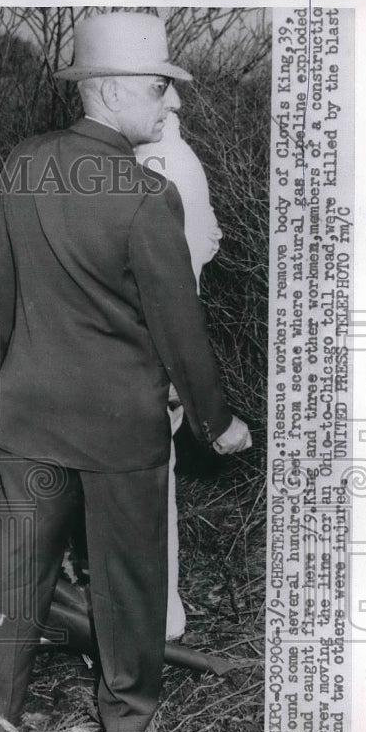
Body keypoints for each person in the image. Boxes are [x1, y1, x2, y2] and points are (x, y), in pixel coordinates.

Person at [0, 12, 251, 732]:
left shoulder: (20, 164)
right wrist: (217, 423)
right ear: (119, 90)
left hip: (26, 418)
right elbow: (180, 334)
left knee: (15, 582)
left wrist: (21, 377)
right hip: (119, 433)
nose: (171, 104)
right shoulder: (147, 197)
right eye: (161, 87)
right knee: (128, 589)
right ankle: (124, 725)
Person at [135, 111, 224, 640]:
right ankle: (161, 613)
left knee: (143, 488)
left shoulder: (154, 160)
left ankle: (156, 617)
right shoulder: (183, 158)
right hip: (168, 336)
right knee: (153, 484)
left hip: (151, 344)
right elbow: (210, 235)